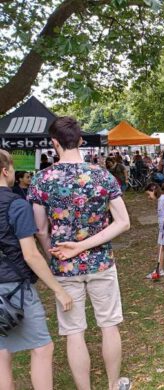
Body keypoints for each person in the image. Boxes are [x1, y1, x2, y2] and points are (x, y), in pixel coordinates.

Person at [29, 116, 131, 390]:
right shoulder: (101, 175)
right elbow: (123, 221)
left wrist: (57, 255)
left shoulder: (42, 179)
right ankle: (113, 384)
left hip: (64, 265)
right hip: (101, 263)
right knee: (109, 325)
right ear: (81, 140)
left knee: (74, 332)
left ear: (54, 143)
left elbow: (40, 229)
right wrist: (86, 245)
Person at [0, 149, 73, 390]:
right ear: (5, 171)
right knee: (42, 347)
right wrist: (58, 289)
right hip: (15, 289)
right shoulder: (17, 205)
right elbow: (31, 255)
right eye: (12, 167)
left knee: (2, 353)